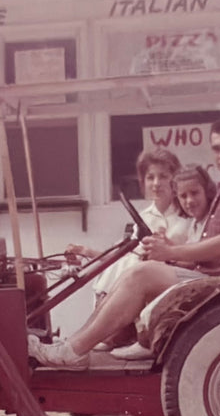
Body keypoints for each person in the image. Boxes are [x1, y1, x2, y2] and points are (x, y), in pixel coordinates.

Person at [29, 115, 220, 369]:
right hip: (210, 276)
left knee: (141, 274)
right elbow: (215, 249)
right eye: (217, 148)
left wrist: (171, 250)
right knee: (135, 271)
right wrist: (171, 256)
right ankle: (76, 344)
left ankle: (75, 350)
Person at [65, 148, 189, 346]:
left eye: (163, 176)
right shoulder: (145, 217)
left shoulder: (186, 212)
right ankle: (96, 333)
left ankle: (109, 334)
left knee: (134, 264)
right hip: (138, 278)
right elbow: (122, 256)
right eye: (150, 177)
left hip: (171, 277)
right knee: (125, 262)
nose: (156, 184)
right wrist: (88, 252)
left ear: (174, 179)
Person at [108, 164, 218, 361]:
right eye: (183, 196)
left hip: (207, 284)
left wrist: (169, 254)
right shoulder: (196, 222)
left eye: (195, 193)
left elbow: (200, 260)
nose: (189, 201)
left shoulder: (209, 221)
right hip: (193, 275)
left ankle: (143, 339)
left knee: (144, 275)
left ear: (207, 191)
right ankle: (117, 332)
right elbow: (191, 261)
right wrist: (167, 254)